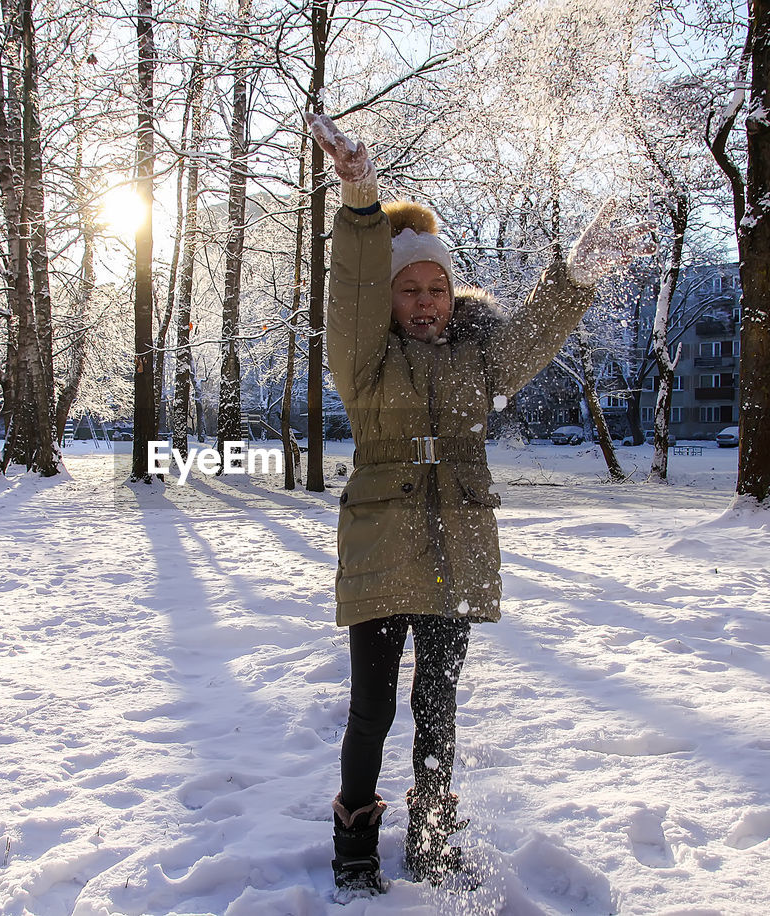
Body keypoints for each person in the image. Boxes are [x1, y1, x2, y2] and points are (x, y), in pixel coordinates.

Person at [306, 111, 656, 897]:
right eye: (409, 290)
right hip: (381, 549)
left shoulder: (478, 361)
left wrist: (580, 276)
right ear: (388, 299)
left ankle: (431, 834)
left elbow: (533, 335)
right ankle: (356, 835)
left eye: (437, 287)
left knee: (439, 702)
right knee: (372, 708)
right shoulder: (362, 362)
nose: (426, 302)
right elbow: (351, 291)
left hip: (456, 547)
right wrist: (361, 197)